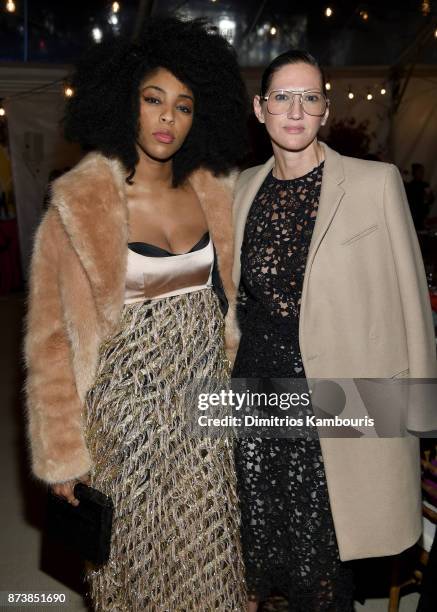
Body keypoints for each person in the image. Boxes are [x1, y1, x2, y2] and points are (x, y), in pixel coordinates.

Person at [25, 18, 248, 611]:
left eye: (184, 106)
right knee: (138, 581)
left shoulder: (214, 195)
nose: (167, 119)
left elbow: (228, 315)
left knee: (211, 576)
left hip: (205, 429)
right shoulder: (78, 206)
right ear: (127, 102)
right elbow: (50, 342)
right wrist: (63, 457)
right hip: (124, 433)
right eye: (154, 100)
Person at [231, 50, 437, 611]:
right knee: (261, 551)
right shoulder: (241, 188)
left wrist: (418, 413)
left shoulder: (375, 182)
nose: (295, 111)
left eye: (310, 97)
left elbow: (411, 302)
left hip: (337, 402)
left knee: (321, 563)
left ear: (325, 109)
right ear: (260, 108)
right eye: (282, 97)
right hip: (256, 394)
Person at [405, 163, 434, 231]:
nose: (422, 173)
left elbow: (431, 199)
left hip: (423, 216)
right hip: (413, 216)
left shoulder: (425, 185)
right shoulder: (410, 186)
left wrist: (429, 198)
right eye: (420, 171)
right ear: (414, 172)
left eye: (422, 171)